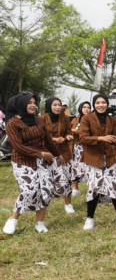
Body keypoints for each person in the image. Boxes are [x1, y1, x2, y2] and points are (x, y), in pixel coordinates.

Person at [3, 92, 62, 235]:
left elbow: (48, 139)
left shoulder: (39, 120)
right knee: (29, 190)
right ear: (21, 104)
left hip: (42, 161)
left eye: (34, 102)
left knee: (47, 190)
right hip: (22, 161)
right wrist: (41, 153)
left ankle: (39, 222)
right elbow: (18, 146)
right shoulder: (12, 123)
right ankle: (13, 219)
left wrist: (57, 154)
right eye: (29, 102)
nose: (33, 105)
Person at [80, 94, 116, 230]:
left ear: (107, 104)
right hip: (93, 159)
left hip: (109, 158)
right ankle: (90, 218)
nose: (101, 105)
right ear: (94, 104)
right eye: (98, 102)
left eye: (103, 102)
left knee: (114, 186)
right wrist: (101, 138)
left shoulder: (112, 120)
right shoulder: (87, 118)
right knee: (93, 188)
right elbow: (83, 138)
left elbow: (114, 138)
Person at [41, 97, 75, 213]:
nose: (57, 107)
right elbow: (39, 136)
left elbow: (68, 131)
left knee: (67, 178)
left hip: (63, 152)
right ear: (49, 106)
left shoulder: (64, 117)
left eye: (59, 105)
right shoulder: (42, 118)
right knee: (48, 180)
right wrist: (54, 139)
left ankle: (68, 203)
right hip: (48, 153)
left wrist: (68, 137)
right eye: (55, 105)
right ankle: (44, 204)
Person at [70, 101, 92, 197]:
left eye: (88, 107)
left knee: (88, 168)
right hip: (76, 147)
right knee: (75, 167)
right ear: (80, 108)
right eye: (84, 107)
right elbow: (68, 130)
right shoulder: (75, 120)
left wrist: (77, 131)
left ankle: (90, 188)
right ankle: (75, 188)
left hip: (87, 147)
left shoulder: (92, 120)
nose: (86, 109)